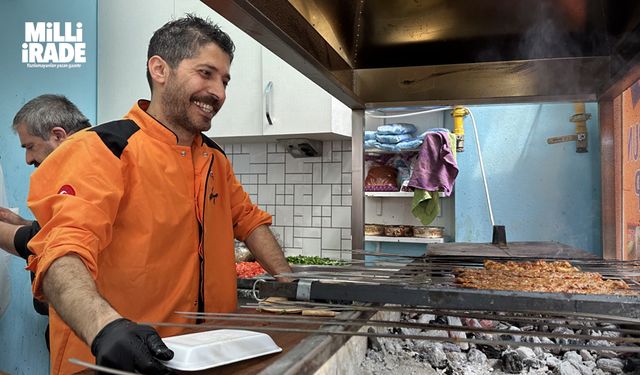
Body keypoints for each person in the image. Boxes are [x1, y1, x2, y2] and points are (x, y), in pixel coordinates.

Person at [26, 15, 293, 374]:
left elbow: (248, 220)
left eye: (225, 80)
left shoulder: (214, 158)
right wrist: (105, 328)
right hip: (120, 361)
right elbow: (62, 250)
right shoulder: (103, 148)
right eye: (206, 73)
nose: (219, 93)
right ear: (159, 69)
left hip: (210, 356)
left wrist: (291, 286)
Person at [0, 94, 91, 350]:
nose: (28, 160)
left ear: (59, 135)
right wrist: (23, 223)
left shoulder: (85, 169)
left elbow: (59, 243)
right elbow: (69, 229)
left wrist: (11, 233)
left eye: (30, 146)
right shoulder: (88, 160)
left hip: (85, 328)